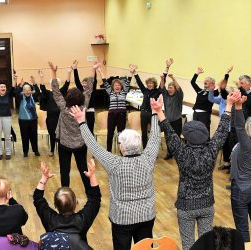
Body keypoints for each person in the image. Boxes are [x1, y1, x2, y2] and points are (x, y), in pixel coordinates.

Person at [70, 98, 160, 250]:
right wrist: (156, 113)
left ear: (122, 147)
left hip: (122, 218)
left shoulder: (114, 163)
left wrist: (82, 122)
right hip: (147, 215)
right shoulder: (148, 158)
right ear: (138, 144)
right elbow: (156, 137)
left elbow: (93, 145)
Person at [157, 91, 239, 250]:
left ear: (186, 137)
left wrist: (160, 111)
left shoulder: (182, 152)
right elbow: (222, 131)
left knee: (189, 246)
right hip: (207, 205)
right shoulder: (212, 150)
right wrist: (229, 105)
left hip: (186, 206)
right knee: (207, 245)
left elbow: (170, 133)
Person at [33, 161, 101, 249]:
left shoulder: (50, 220)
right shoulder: (82, 220)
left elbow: (38, 198)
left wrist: (44, 178)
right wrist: (92, 176)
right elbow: (95, 199)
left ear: (55, 205)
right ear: (75, 203)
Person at [49, 61, 94, 192]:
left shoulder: (64, 108)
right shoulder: (83, 107)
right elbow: (89, 88)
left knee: (65, 171)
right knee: (83, 169)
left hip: (64, 145)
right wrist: (93, 70)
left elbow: (56, 92)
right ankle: (90, 194)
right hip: (80, 144)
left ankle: (65, 194)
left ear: (67, 98)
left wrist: (54, 72)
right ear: (81, 98)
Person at [230, 95, 251, 249]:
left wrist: (238, 106)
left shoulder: (247, 146)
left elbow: (238, 126)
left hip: (241, 190)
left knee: (242, 228)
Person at [135, 59, 171, 149]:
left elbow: (163, 80)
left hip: (153, 114)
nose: (149, 84)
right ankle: (145, 149)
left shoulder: (158, 91)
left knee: (154, 132)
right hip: (144, 113)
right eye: (148, 83)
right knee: (144, 132)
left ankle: (152, 149)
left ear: (154, 84)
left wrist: (167, 67)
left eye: (151, 83)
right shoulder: (145, 90)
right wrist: (135, 72)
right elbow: (139, 82)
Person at [97, 64, 131, 152]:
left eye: (119, 85)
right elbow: (104, 81)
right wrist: (100, 71)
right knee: (110, 133)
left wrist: (132, 73)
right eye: (115, 85)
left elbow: (128, 82)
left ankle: (122, 150)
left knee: (121, 133)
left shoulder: (124, 92)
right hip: (112, 114)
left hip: (121, 114)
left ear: (121, 86)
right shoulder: (110, 92)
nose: (117, 86)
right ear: (113, 86)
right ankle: (108, 151)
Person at [38, 69, 70, 156]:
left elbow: (67, 84)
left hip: (60, 118)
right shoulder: (48, 93)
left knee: (61, 135)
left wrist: (69, 73)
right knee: (52, 134)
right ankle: (52, 150)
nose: (54, 85)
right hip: (51, 118)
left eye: (56, 83)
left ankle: (61, 150)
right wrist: (41, 77)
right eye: (53, 83)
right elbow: (42, 88)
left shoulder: (61, 92)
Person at [207, 67, 233, 170]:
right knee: (224, 145)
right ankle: (226, 164)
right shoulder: (222, 99)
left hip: (230, 128)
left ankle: (231, 165)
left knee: (230, 146)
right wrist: (211, 90)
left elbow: (223, 92)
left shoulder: (230, 100)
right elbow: (211, 98)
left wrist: (226, 75)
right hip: (223, 126)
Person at [160, 69, 183, 160]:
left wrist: (173, 78)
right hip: (167, 121)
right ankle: (169, 153)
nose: (169, 89)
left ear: (175, 89)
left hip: (177, 121)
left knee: (176, 138)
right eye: (169, 88)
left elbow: (179, 88)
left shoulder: (178, 96)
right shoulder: (166, 95)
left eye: (171, 88)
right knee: (168, 138)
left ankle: (177, 153)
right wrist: (162, 79)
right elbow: (162, 87)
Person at [14, 76, 40, 157]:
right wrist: (19, 85)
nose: (27, 92)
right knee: (24, 136)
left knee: (34, 136)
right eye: (25, 90)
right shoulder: (21, 97)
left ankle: (35, 150)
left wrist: (34, 83)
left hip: (33, 120)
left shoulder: (33, 96)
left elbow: (38, 92)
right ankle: (25, 151)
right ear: (23, 91)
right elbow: (15, 93)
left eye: (29, 90)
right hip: (23, 120)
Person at [190, 67, 220, 134]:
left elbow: (220, 89)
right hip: (195, 114)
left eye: (208, 80)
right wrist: (197, 73)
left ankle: (206, 144)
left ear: (212, 84)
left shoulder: (214, 92)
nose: (205, 81)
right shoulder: (200, 91)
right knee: (195, 132)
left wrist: (216, 87)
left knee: (204, 132)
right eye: (205, 80)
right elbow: (192, 82)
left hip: (204, 115)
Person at [72, 60, 98, 134]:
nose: (84, 84)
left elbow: (94, 80)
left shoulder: (91, 90)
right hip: (81, 112)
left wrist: (95, 69)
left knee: (90, 130)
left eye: (86, 83)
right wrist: (75, 69)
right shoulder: (80, 90)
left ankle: (90, 144)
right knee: (82, 130)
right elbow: (77, 80)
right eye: (83, 83)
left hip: (90, 111)